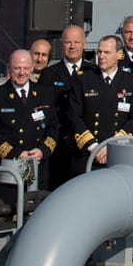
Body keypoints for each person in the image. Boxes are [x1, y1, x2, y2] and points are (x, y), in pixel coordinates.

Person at [66, 34, 133, 170]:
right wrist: (95, 147)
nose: (101, 56)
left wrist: (111, 147)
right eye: (99, 52)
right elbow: (74, 116)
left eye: (106, 52)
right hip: (88, 154)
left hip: (119, 153)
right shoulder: (83, 79)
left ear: (119, 54)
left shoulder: (131, 81)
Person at [0, 48, 60, 193]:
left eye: (25, 68)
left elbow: (53, 127)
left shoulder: (45, 94)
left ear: (31, 68)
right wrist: (16, 153)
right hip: (9, 168)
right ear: (9, 68)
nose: (21, 73)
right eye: (17, 68)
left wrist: (43, 151)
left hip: (38, 166)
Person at [40, 24, 94, 184]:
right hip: (59, 147)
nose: (72, 46)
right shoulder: (49, 75)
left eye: (76, 42)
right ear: (62, 44)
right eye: (68, 42)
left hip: (85, 147)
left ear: (84, 44)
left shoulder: (94, 72)